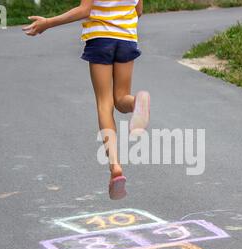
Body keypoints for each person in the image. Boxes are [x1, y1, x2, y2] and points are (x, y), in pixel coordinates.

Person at [23, 0, 150, 200]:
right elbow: (139, 10)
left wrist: (47, 22)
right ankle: (137, 103)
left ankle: (115, 166)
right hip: (127, 38)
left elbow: (84, 10)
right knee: (121, 98)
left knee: (104, 103)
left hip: (100, 38)